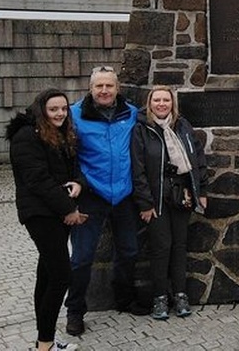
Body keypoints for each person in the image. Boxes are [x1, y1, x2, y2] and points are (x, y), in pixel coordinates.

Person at [7, 88, 88, 351]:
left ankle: (46, 340)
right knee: (61, 277)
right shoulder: (26, 136)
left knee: (46, 275)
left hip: (56, 212)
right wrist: (69, 209)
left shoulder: (61, 132)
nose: (60, 113)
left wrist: (78, 182)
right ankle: (45, 345)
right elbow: (37, 180)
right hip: (41, 214)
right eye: (53, 109)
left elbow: (73, 165)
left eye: (64, 109)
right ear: (42, 110)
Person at [64, 66, 141, 336]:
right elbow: (65, 154)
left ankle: (124, 299)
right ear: (90, 88)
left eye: (109, 86)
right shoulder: (73, 115)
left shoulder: (131, 113)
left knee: (129, 251)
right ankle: (75, 311)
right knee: (82, 258)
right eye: (99, 86)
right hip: (91, 196)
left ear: (117, 88)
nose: (104, 91)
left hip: (124, 195)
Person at [130, 85, 208, 320]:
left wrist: (201, 190)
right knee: (161, 248)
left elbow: (198, 159)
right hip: (156, 199)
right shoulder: (142, 130)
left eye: (166, 100)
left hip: (181, 195)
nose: (161, 104)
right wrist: (145, 203)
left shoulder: (182, 126)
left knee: (180, 247)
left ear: (173, 103)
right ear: (150, 104)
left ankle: (181, 295)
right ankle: (160, 297)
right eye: (157, 100)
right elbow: (137, 169)